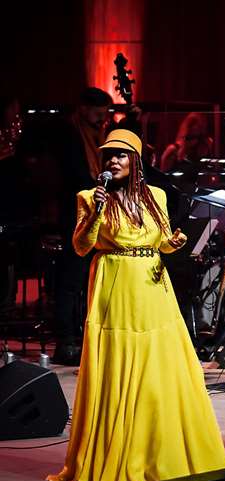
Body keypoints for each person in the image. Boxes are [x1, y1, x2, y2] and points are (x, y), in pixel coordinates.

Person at [47, 129, 225, 481]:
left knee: (156, 366)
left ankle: (156, 446)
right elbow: (82, 247)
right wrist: (97, 210)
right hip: (115, 283)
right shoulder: (88, 196)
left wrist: (174, 242)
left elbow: (160, 239)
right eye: (108, 154)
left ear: (136, 162)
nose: (113, 160)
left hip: (153, 286)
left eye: (121, 155)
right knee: (118, 363)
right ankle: (119, 448)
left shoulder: (155, 196)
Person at [52, 87, 113, 366]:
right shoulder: (68, 134)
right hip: (73, 213)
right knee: (70, 280)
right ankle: (65, 341)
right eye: (98, 112)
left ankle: (86, 336)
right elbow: (74, 174)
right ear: (84, 108)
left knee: (86, 277)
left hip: (93, 211)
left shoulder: (98, 133)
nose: (103, 118)